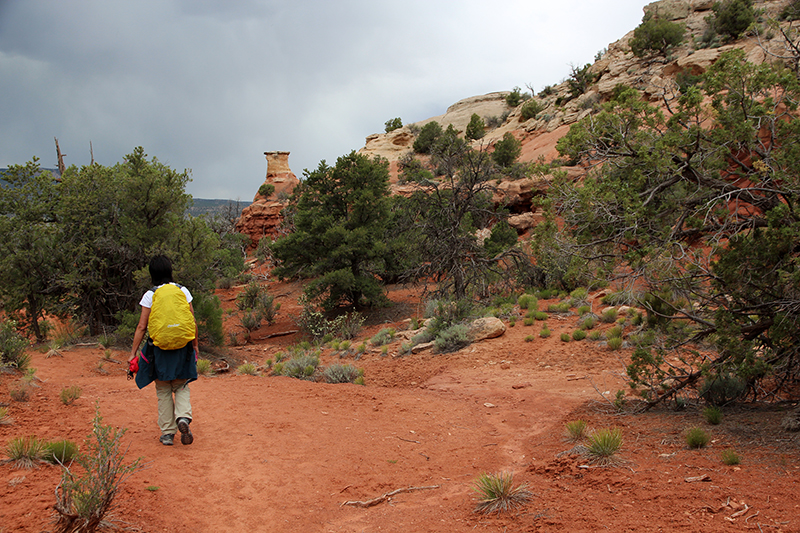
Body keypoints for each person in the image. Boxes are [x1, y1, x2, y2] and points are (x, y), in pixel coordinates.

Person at [129, 255, 199, 446]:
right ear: (170, 270)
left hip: (159, 349)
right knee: (182, 385)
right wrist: (195, 346)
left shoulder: (150, 295)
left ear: (152, 274)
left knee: (163, 389)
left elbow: (142, 327)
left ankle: (168, 433)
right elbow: (192, 322)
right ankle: (183, 418)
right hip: (182, 348)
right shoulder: (183, 291)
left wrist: (133, 353)